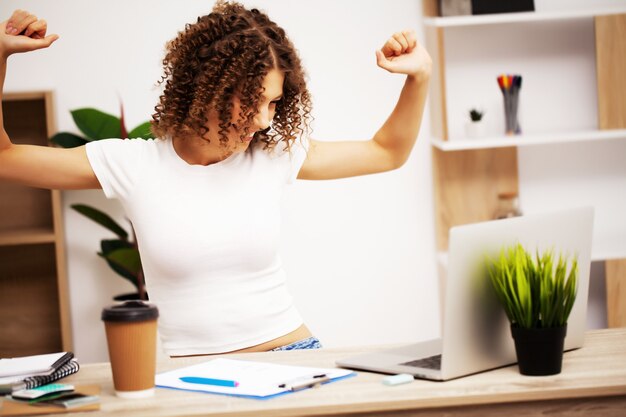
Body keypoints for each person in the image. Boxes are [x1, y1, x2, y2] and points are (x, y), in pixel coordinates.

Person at [0, 2, 432, 356]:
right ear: (206, 89)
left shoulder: (273, 157)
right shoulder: (133, 164)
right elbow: (6, 159)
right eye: (252, 102)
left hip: (294, 356)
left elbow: (387, 152)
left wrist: (419, 77)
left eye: (274, 103)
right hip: (192, 379)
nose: (263, 121)